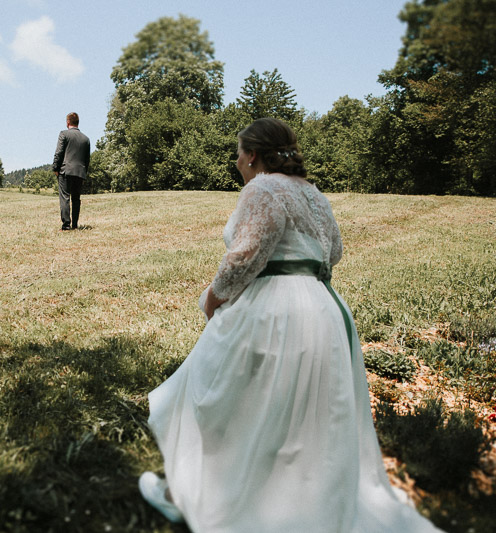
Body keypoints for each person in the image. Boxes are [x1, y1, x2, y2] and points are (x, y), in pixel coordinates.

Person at [139, 118, 443, 532]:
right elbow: (333, 251)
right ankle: (295, 501)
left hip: (277, 308)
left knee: (220, 394)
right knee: (304, 418)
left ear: (252, 155)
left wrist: (214, 297)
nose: (237, 162)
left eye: (238, 154)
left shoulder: (261, 188)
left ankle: (203, 495)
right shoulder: (315, 195)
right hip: (324, 309)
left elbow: (246, 255)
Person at [52, 112, 90, 231]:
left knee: (65, 198)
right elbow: (87, 159)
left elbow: (59, 153)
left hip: (66, 171)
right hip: (80, 172)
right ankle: (75, 225)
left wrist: (55, 168)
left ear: (68, 122)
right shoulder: (86, 139)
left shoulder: (64, 134)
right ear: (78, 122)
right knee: (76, 199)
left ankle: (66, 225)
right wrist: (84, 174)